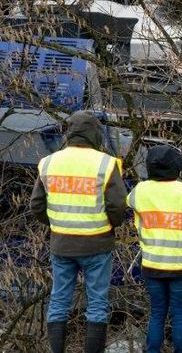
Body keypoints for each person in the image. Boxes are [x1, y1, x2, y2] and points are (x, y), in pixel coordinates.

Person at [31, 111, 127, 353]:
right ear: (96, 133)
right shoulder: (106, 163)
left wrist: (57, 225)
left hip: (62, 245)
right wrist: (110, 226)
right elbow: (118, 206)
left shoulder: (49, 162)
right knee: (97, 304)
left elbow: (37, 206)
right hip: (97, 245)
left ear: (69, 133)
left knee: (59, 301)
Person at [126, 144, 182, 353]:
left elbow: (126, 205)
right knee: (179, 313)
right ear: (176, 166)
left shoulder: (139, 192)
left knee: (157, 313)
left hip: (152, 264)